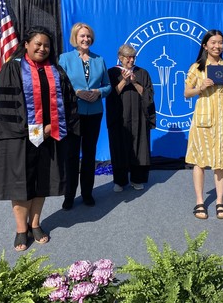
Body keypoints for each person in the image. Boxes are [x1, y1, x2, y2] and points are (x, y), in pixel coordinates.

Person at [0, 26, 79, 251]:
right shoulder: (13, 68)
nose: (42, 48)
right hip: (19, 138)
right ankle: (21, 229)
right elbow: (6, 106)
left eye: (46, 45)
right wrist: (33, 129)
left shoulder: (56, 71)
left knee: (42, 181)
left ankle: (35, 224)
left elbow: (67, 103)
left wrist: (51, 127)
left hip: (50, 135)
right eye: (37, 44)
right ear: (26, 45)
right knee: (20, 184)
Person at [184, 30, 223, 220]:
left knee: (221, 160)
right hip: (203, 117)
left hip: (222, 118)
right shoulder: (197, 67)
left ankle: (219, 202)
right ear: (205, 45)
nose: (217, 46)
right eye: (213, 42)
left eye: (220, 43)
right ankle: (200, 201)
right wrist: (201, 87)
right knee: (200, 160)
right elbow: (186, 93)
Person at [58, 22, 111, 210]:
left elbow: (108, 86)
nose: (86, 39)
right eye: (82, 36)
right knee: (71, 156)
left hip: (94, 113)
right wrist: (76, 93)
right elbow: (60, 86)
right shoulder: (64, 59)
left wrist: (98, 92)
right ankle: (69, 195)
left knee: (89, 155)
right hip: (73, 114)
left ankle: (87, 193)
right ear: (75, 38)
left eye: (88, 36)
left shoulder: (99, 60)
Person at [106, 44, 156, 191]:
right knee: (119, 146)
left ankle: (137, 178)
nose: (131, 60)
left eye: (133, 57)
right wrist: (123, 81)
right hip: (120, 117)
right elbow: (110, 95)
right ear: (120, 58)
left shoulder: (142, 73)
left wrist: (134, 82)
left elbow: (148, 96)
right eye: (128, 57)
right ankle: (120, 180)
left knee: (139, 146)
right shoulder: (112, 73)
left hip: (139, 116)